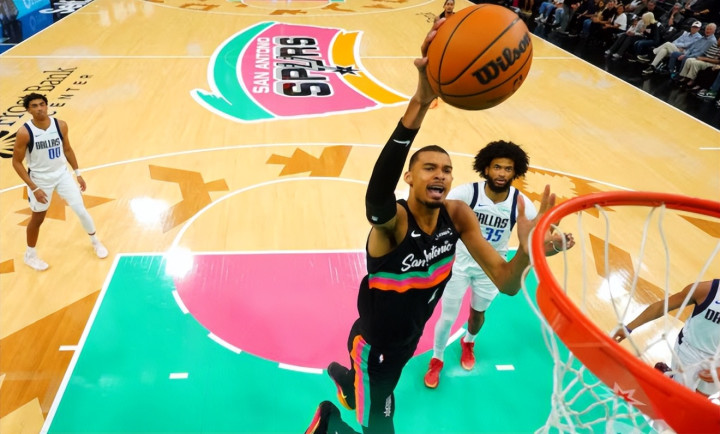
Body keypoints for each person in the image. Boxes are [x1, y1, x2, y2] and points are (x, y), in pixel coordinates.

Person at [304, 19, 556, 434]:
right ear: (409, 177)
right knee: (379, 427)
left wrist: (526, 253)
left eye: (447, 169)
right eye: (429, 168)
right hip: (374, 349)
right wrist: (419, 104)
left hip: (408, 341)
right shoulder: (393, 224)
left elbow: (508, 284)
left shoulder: (457, 215)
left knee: (380, 397)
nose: (440, 174)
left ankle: (347, 383)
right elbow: (376, 198)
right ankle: (331, 419)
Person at [423, 142, 575, 389]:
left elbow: (534, 247)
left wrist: (555, 246)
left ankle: (469, 342)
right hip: (459, 263)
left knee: (477, 315)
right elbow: (432, 217)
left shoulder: (522, 204)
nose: (502, 173)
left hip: (493, 268)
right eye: (497, 167)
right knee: (448, 316)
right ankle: (437, 359)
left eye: (508, 168)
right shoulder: (467, 194)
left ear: (515, 172)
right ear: (486, 168)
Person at [11, 93, 108, 271]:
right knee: (37, 219)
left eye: (42, 104)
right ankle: (30, 255)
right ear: (28, 110)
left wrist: (78, 173)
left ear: (47, 105)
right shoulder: (24, 133)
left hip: (62, 175)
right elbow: (16, 162)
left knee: (80, 209)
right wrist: (34, 188)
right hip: (40, 180)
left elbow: (68, 149)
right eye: (34, 106)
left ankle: (95, 242)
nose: (39, 108)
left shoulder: (60, 125)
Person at [613, 279, 720, 397]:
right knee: (681, 397)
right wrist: (629, 327)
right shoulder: (705, 290)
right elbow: (662, 306)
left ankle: (668, 375)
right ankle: (671, 378)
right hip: (690, 352)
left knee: (702, 398)